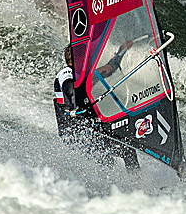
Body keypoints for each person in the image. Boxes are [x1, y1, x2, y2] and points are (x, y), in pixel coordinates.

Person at [54, 41, 140, 171]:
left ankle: (137, 181)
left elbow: (110, 68)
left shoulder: (84, 75)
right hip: (75, 134)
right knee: (109, 160)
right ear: (77, 60)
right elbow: (69, 88)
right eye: (86, 57)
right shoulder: (66, 74)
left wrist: (121, 51)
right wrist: (73, 104)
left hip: (92, 130)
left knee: (128, 149)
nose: (89, 60)